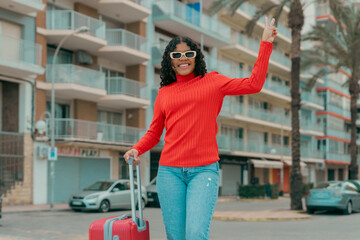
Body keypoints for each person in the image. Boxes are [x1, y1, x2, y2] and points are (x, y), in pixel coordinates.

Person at [123, 16, 278, 240]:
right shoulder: (164, 93)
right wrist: (136, 149)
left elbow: (254, 84)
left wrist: (266, 43)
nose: (183, 59)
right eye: (176, 55)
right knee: (176, 237)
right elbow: (154, 132)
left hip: (204, 170)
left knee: (195, 234)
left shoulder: (214, 81)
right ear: (170, 61)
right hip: (169, 173)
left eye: (189, 53)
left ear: (197, 56)